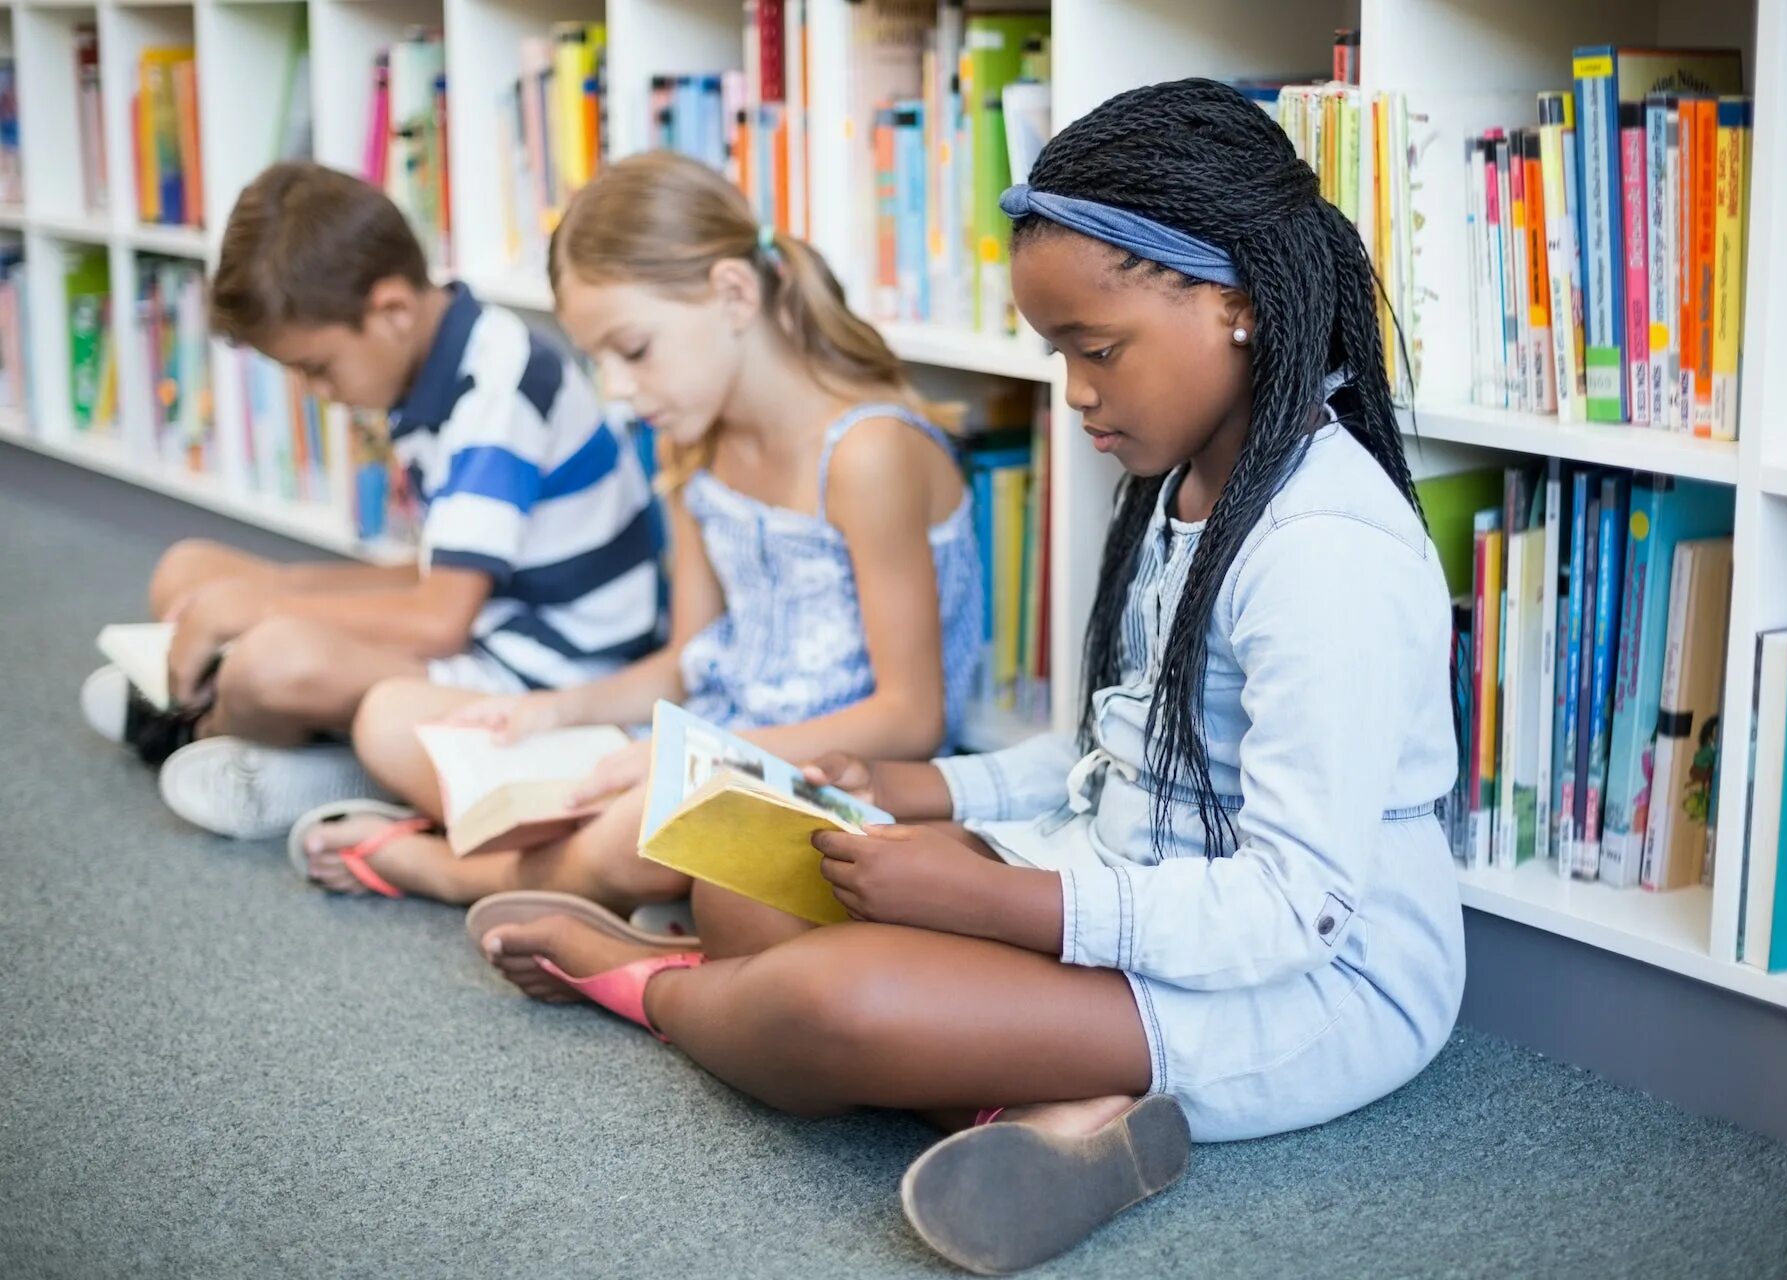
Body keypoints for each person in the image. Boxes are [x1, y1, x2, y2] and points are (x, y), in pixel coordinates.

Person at [460, 79, 1467, 1275]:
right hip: (1134, 887)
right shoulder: (1193, 476)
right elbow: (1115, 749)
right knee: (743, 879)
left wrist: (999, 905)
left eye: (1097, 351)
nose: (1076, 394)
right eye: (1059, 354)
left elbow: (1297, 903)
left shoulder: (1325, 553)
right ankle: (1051, 1117)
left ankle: (647, 982)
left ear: (1237, 306)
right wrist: (916, 786)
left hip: (1304, 989)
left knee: (828, 1002)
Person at [290, 151, 982, 917]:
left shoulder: (868, 453)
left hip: (836, 777)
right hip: (708, 744)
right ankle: (582, 875)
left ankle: (451, 870)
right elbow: (687, 666)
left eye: (634, 350)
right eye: (598, 361)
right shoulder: (695, 446)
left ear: (732, 293)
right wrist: (553, 711)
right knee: (393, 716)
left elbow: (912, 717)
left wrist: (692, 758)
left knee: (638, 821)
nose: (617, 389)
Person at [81, 163, 667, 842]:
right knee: (189, 570)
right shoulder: (433, 366)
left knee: (271, 660)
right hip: (482, 621)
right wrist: (266, 587)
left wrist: (262, 606)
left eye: (317, 368)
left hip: (544, 676)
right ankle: (238, 728)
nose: (316, 393)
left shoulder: (496, 389)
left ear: (391, 310)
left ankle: (297, 753)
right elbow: (439, 570)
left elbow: (440, 617)